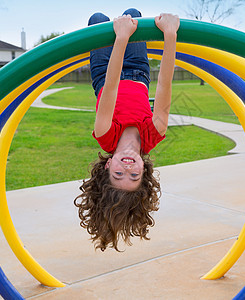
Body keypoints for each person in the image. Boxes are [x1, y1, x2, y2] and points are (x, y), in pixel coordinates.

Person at [74, 8, 179, 251]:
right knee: (132, 14)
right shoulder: (155, 133)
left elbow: (110, 89)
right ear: (145, 170)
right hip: (138, 71)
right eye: (134, 176)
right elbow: (164, 83)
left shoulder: (105, 136)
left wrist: (122, 38)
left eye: (119, 174)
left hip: (103, 73)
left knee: (98, 20)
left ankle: (117, 31)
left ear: (108, 165)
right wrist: (170, 34)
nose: (128, 168)